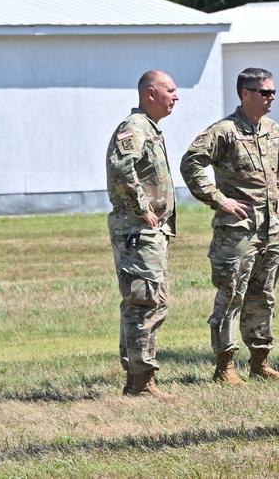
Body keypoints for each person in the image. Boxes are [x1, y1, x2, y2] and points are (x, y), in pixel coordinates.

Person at [180, 67, 279, 385]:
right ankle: (225, 367)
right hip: (237, 232)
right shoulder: (224, 131)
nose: (271, 98)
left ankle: (260, 362)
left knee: (263, 295)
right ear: (246, 94)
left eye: (273, 91)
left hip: (270, 230)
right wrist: (219, 200)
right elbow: (192, 163)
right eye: (265, 92)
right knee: (231, 296)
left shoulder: (273, 130)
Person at [105, 70, 179, 399]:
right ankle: (141, 382)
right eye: (171, 91)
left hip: (148, 230)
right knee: (145, 303)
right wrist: (142, 209)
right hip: (138, 230)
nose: (176, 97)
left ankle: (136, 378)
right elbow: (122, 168)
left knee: (146, 300)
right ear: (151, 93)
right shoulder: (133, 128)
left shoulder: (148, 128)